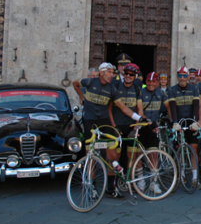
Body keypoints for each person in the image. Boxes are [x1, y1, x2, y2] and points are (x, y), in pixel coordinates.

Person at [72, 62, 143, 198]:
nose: (112, 75)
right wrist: (82, 98)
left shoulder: (112, 89)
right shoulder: (89, 82)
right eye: (109, 72)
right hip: (90, 122)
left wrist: (139, 118)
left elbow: (123, 108)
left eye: (113, 72)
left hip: (104, 122)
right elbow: (75, 83)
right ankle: (91, 186)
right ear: (101, 72)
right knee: (90, 156)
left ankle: (110, 187)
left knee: (112, 156)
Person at [107, 63, 144, 198]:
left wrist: (136, 126)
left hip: (130, 126)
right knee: (114, 156)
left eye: (131, 75)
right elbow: (109, 108)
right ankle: (112, 184)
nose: (128, 76)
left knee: (131, 156)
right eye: (126, 73)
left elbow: (139, 108)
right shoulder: (116, 87)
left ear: (135, 77)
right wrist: (113, 125)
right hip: (117, 125)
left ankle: (130, 182)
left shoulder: (137, 88)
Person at [168, 66, 201, 188]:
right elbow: (172, 107)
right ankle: (181, 175)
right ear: (177, 76)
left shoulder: (194, 88)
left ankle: (195, 177)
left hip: (191, 122)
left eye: (184, 75)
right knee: (181, 150)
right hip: (179, 122)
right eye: (180, 75)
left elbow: (196, 106)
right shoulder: (172, 89)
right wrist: (175, 122)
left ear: (188, 76)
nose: (182, 78)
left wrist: (194, 121)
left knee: (193, 148)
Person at [138, 72, 170, 195]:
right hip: (143, 126)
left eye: (153, 81)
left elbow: (168, 106)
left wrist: (172, 119)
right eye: (149, 81)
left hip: (154, 127)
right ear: (146, 82)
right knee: (139, 154)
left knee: (154, 153)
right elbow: (139, 111)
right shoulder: (141, 92)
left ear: (157, 82)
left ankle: (154, 182)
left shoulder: (161, 93)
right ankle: (141, 180)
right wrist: (149, 122)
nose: (151, 84)